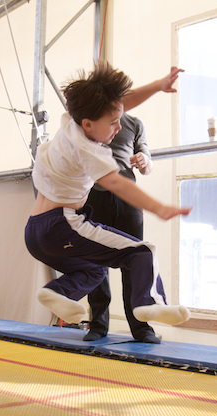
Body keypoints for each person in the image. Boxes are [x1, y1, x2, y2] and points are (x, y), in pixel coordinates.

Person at [25, 61, 191, 336]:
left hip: (35, 233)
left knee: (95, 271)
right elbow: (116, 183)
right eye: (113, 123)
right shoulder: (88, 150)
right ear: (89, 125)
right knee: (143, 251)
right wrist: (158, 207)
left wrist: (157, 86)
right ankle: (148, 305)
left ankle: (57, 291)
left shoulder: (71, 123)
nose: (118, 127)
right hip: (62, 225)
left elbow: (122, 104)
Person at [84, 110, 161, 343]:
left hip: (128, 198)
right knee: (95, 263)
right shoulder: (86, 120)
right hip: (94, 197)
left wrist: (144, 161)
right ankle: (98, 324)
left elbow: (147, 166)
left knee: (135, 263)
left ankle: (141, 327)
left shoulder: (134, 123)